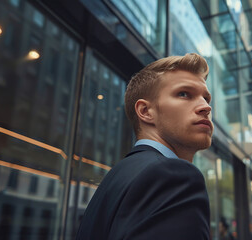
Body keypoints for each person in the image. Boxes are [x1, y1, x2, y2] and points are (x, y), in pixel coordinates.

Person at [76, 53, 213, 240]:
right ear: (145, 111)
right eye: (184, 94)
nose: (205, 107)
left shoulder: (116, 178)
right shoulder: (174, 177)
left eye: (206, 98)